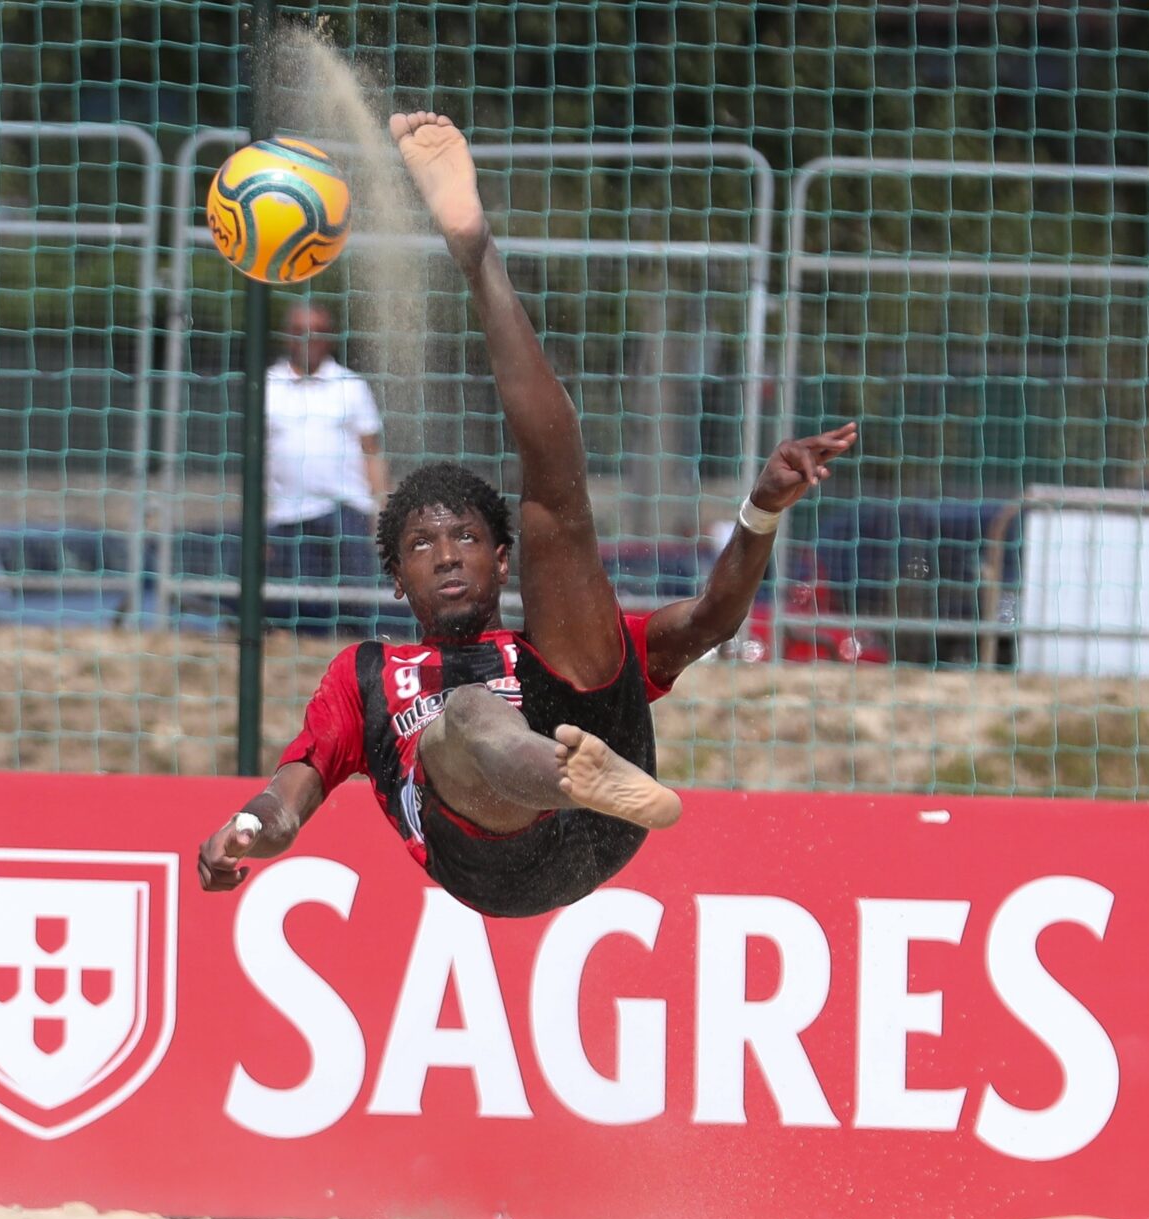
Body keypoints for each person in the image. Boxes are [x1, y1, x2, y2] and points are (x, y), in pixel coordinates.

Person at [198, 113, 859, 917]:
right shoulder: (366, 674)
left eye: (467, 537)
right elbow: (288, 797)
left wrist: (760, 507)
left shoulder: (541, 647)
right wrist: (247, 827)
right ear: (395, 572)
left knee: (559, 502)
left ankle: (474, 247)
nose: (446, 554)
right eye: (421, 543)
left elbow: (716, 619)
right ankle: (567, 772)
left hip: (600, 815)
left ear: (499, 561)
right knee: (464, 716)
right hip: (488, 854)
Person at [265, 301, 388, 629]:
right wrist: (258, 519)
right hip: (288, 513)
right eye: (301, 332)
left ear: (330, 338)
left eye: (317, 333)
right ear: (287, 336)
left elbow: (372, 451)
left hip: (346, 508)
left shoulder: (351, 385)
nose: (309, 340)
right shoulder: (267, 385)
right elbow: (257, 459)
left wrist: (380, 508)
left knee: (357, 606)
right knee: (298, 611)